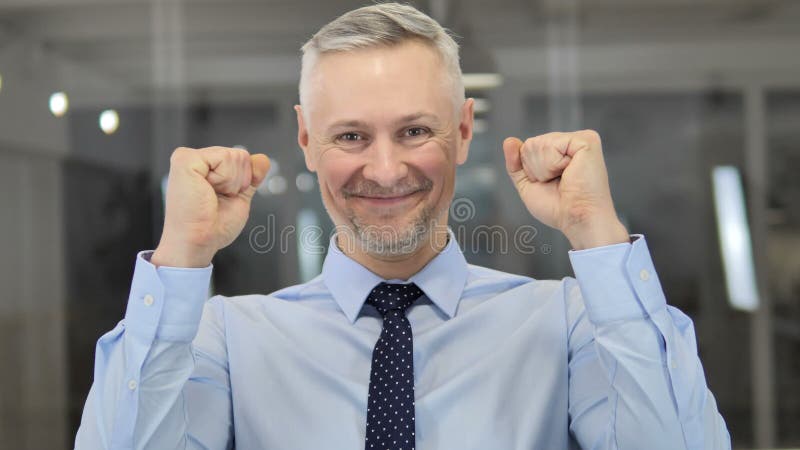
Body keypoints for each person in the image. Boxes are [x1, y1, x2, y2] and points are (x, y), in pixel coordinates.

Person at [74, 3, 731, 449]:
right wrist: (181, 254)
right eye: (351, 135)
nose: (385, 171)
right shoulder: (226, 338)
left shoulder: (566, 323)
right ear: (306, 138)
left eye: (414, 131)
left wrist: (595, 231)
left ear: (465, 130)